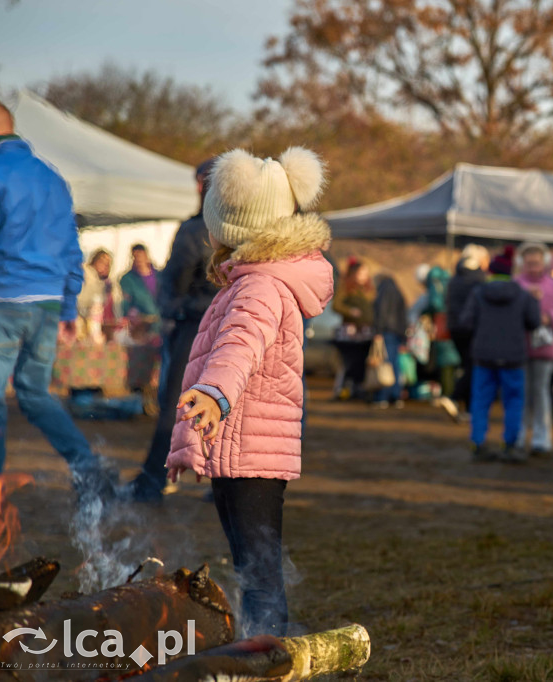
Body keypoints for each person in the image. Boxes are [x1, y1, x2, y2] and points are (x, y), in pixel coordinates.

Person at [165, 147, 333, 636]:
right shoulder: (249, 281)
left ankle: (268, 650)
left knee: (259, 569)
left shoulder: (259, 287)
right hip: (242, 447)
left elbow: (239, 346)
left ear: (233, 225)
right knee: (250, 565)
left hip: (253, 454)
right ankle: (260, 642)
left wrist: (214, 394)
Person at [0, 97, 110, 501]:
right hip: (46, 303)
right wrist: (69, 306)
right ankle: (88, 469)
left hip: (1, 299)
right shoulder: (52, 177)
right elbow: (71, 249)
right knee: (35, 393)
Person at [126, 159, 219, 503]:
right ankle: (224, 484)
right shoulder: (244, 229)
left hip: (194, 324)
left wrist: (171, 315)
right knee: (225, 403)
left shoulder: (196, 230)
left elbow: (175, 282)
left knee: (176, 404)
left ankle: (152, 482)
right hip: (232, 326)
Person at [459, 245, 540, 463]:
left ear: (491, 272)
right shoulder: (523, 295)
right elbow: (534, 322)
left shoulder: (478, 293)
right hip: (513, 358)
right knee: (513, 402)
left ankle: (478, 443)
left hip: (483, 357)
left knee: (481, 401)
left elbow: (465, 323)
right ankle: (510, 445)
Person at [514, 242, 553, 455]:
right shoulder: (516, 285)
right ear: (522, 263)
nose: (533, 266)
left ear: (544, 263)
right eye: (529, 262)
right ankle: (519, 435)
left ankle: (542, 438)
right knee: (522, 392)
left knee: (541, 392)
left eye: (536, 262)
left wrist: (549, 318)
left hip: (545, 349)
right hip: (519, 349)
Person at [446, 244, 490, 415]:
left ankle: (466, 407)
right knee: (473, 367)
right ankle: (455, 397)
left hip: (455, 329)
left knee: (467, 365)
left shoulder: (455, 277)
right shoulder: (478, 279)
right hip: (473, 329)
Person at [332, 258, 375, 400]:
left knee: (361, 363)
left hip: (366, 332)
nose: (365, 275)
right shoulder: (345, 287)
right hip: (349, 334)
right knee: (348, 364)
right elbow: (336, 305)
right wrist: (350, 311)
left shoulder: (369, 289)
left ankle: (358, 389)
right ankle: (344, 389)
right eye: (362, 272)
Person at [370, 273, 408, 409]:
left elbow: (381, 312)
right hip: (397, 333)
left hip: (386, 332)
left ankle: (382, 397)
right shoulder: (398, 291)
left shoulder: (384, 291)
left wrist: (378, 331)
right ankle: (396, 396)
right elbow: (404, 315)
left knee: (385, 365)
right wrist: (404, 337)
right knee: (395, 365)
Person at [77, 248, 123, 337]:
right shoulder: (84, 275)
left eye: (108, 264)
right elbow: (81, 300)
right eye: (102, 262)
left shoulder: (107, 283)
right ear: (94, 260)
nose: (105, 266)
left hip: (100, 323)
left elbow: (117, 301)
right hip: (81, 320)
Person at [119, 243, 162, 334]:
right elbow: (126, 301)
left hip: (161, 324)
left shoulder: (159, 276)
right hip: (142, 326)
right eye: (135, 257)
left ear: (146, 256)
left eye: (140, 256)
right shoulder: (127, 279)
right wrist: (130, 311)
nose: (139, 259)